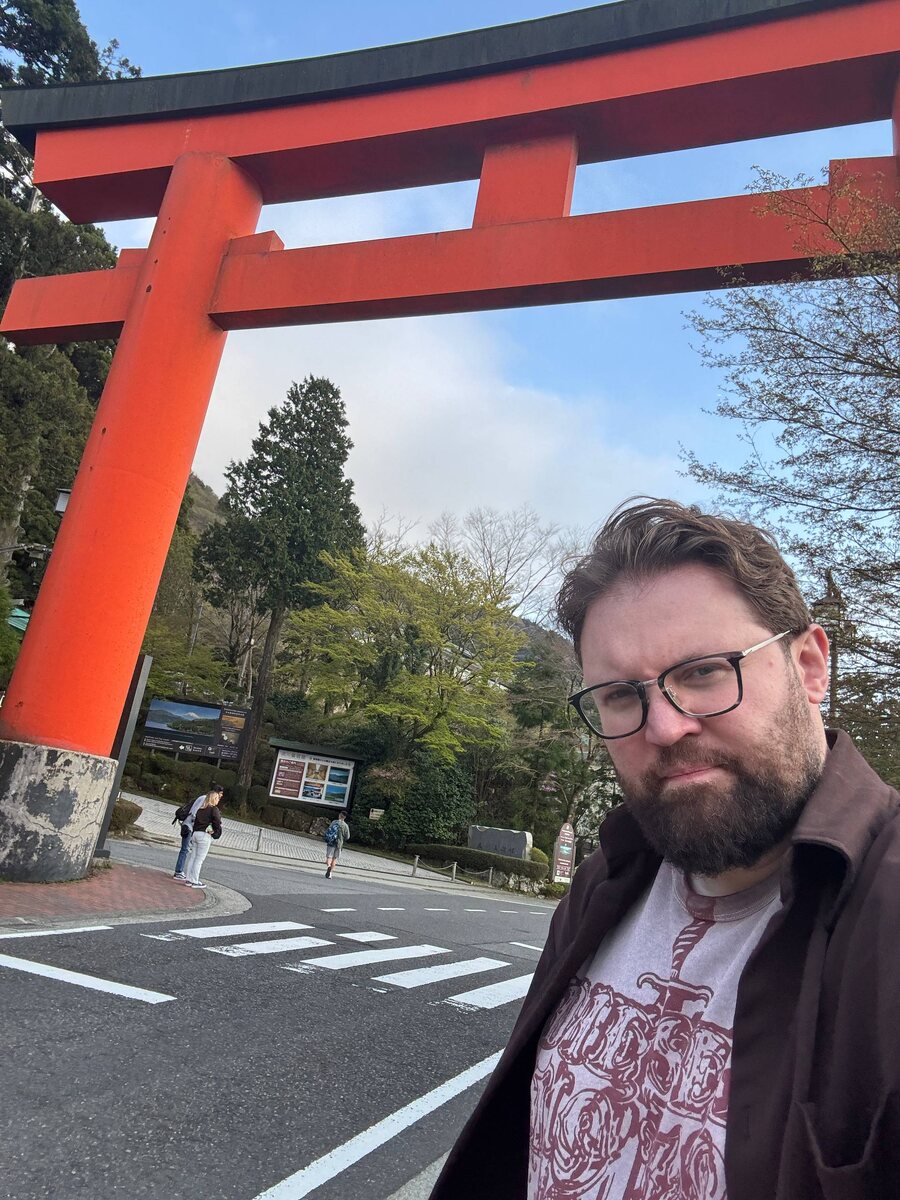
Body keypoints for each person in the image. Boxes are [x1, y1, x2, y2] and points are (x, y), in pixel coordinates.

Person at [432, 498, 900, 1200]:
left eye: (704, 672)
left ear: (808, 666)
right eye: (621, 696)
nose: (663, 727)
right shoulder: (610, 876)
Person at [172, 784, 222, 880]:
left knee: (189, 852)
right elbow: (195, 814)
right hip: (190, 827)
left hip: (190, 826)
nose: (220, 797)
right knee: (186, 850)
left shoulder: (204, 799)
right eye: (220, 794)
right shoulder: (204, 799)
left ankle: (184, 874)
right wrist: (202, 827)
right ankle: (180, 872)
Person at [182, 787, 223, 889]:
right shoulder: (214, 809)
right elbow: (217, 822)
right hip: (205, 835)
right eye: (217, 798)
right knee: (199, 859)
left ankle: (188, 879)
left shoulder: (200, 810)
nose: (218, 800)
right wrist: (216, 832)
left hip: (196, 833)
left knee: (193, 857)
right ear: (214, 799)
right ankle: (195, 880)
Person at [324, 810, 350, 878]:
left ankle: (328, 866)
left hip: (331, 842)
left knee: (329, 857)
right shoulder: (345, 826)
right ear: (345, 817)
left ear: (339, 815)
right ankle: (330, 874)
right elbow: (347, 837)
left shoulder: (334, 822)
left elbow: (329, 830)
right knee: (334, 858)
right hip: (339, 844)